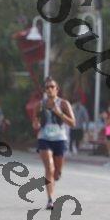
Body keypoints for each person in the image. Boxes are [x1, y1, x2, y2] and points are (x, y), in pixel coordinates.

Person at [32, 77, 75, 210]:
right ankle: (50, 200)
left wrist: (60, 113)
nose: (50, 89)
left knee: (56, 173)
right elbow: (35, 122)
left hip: (60, 139)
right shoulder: (40, 105)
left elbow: (73, 123)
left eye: (52, 87)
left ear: (57, 89)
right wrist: (36, 124)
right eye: (47, 87)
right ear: (45, 90)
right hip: (44, 138)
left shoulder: (63, 104)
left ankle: (57, 174)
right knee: (49, 168)